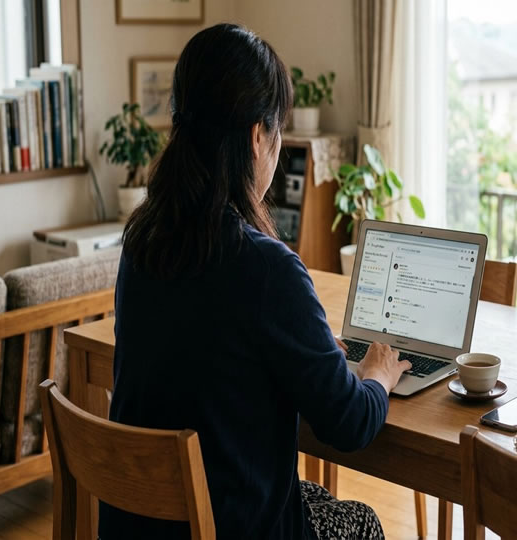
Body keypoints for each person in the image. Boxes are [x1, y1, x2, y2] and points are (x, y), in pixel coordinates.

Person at [100, 24, 411, 540]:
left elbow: (214, 356)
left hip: (143, 521)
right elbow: (350, 424)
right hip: (231, 523)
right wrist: (377, 373)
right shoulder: (266, 268)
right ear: (256, 135)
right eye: (279, 128)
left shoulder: (143, 238)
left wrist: (311, 355)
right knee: (362, 522)